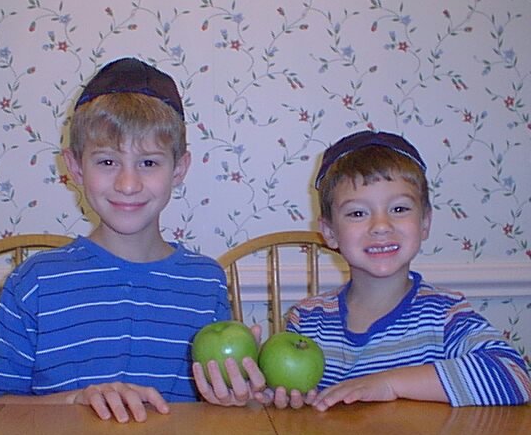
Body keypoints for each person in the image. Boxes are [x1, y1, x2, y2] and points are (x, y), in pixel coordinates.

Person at [0, 57, 230, 423]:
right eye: (107, 162)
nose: (128, 184)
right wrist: (74, 400)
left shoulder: (206, 282)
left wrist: (241, 394)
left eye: (148, 163)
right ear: (76, 168)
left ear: (179, 169)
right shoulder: (35, 282)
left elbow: (219, 409)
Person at [194, 130, 531, 410]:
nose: (381, 225)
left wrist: (389, 383)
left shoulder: (444, 314)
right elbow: (292, 405)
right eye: (357, 213)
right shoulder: (308, 320)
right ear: (329, 232)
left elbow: (515, 375)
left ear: (425, 222)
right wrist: (263, 397)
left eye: (399, 209)